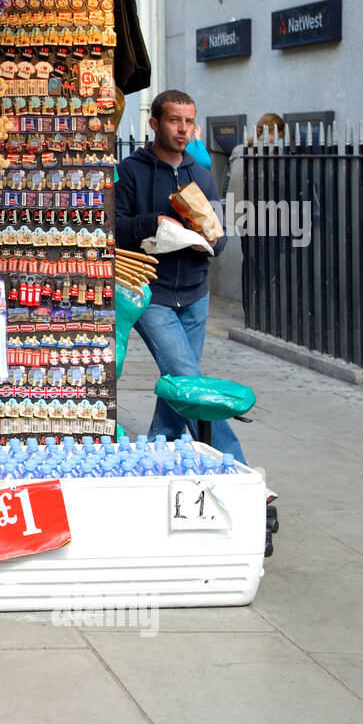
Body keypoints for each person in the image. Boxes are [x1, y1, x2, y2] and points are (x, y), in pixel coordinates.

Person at [115, 89, 247, 464]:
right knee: (190, 379)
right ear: (155, 123)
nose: (183, 129)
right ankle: (234, 462)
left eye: (189, 121)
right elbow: (112, 228)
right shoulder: (131, 172)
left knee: (178, 383)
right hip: (150, 292)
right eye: (174, 120)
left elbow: (219, 241)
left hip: (195, 295)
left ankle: (161, 452)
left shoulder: (202, 176)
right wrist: (152, 223)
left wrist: (205, 239)